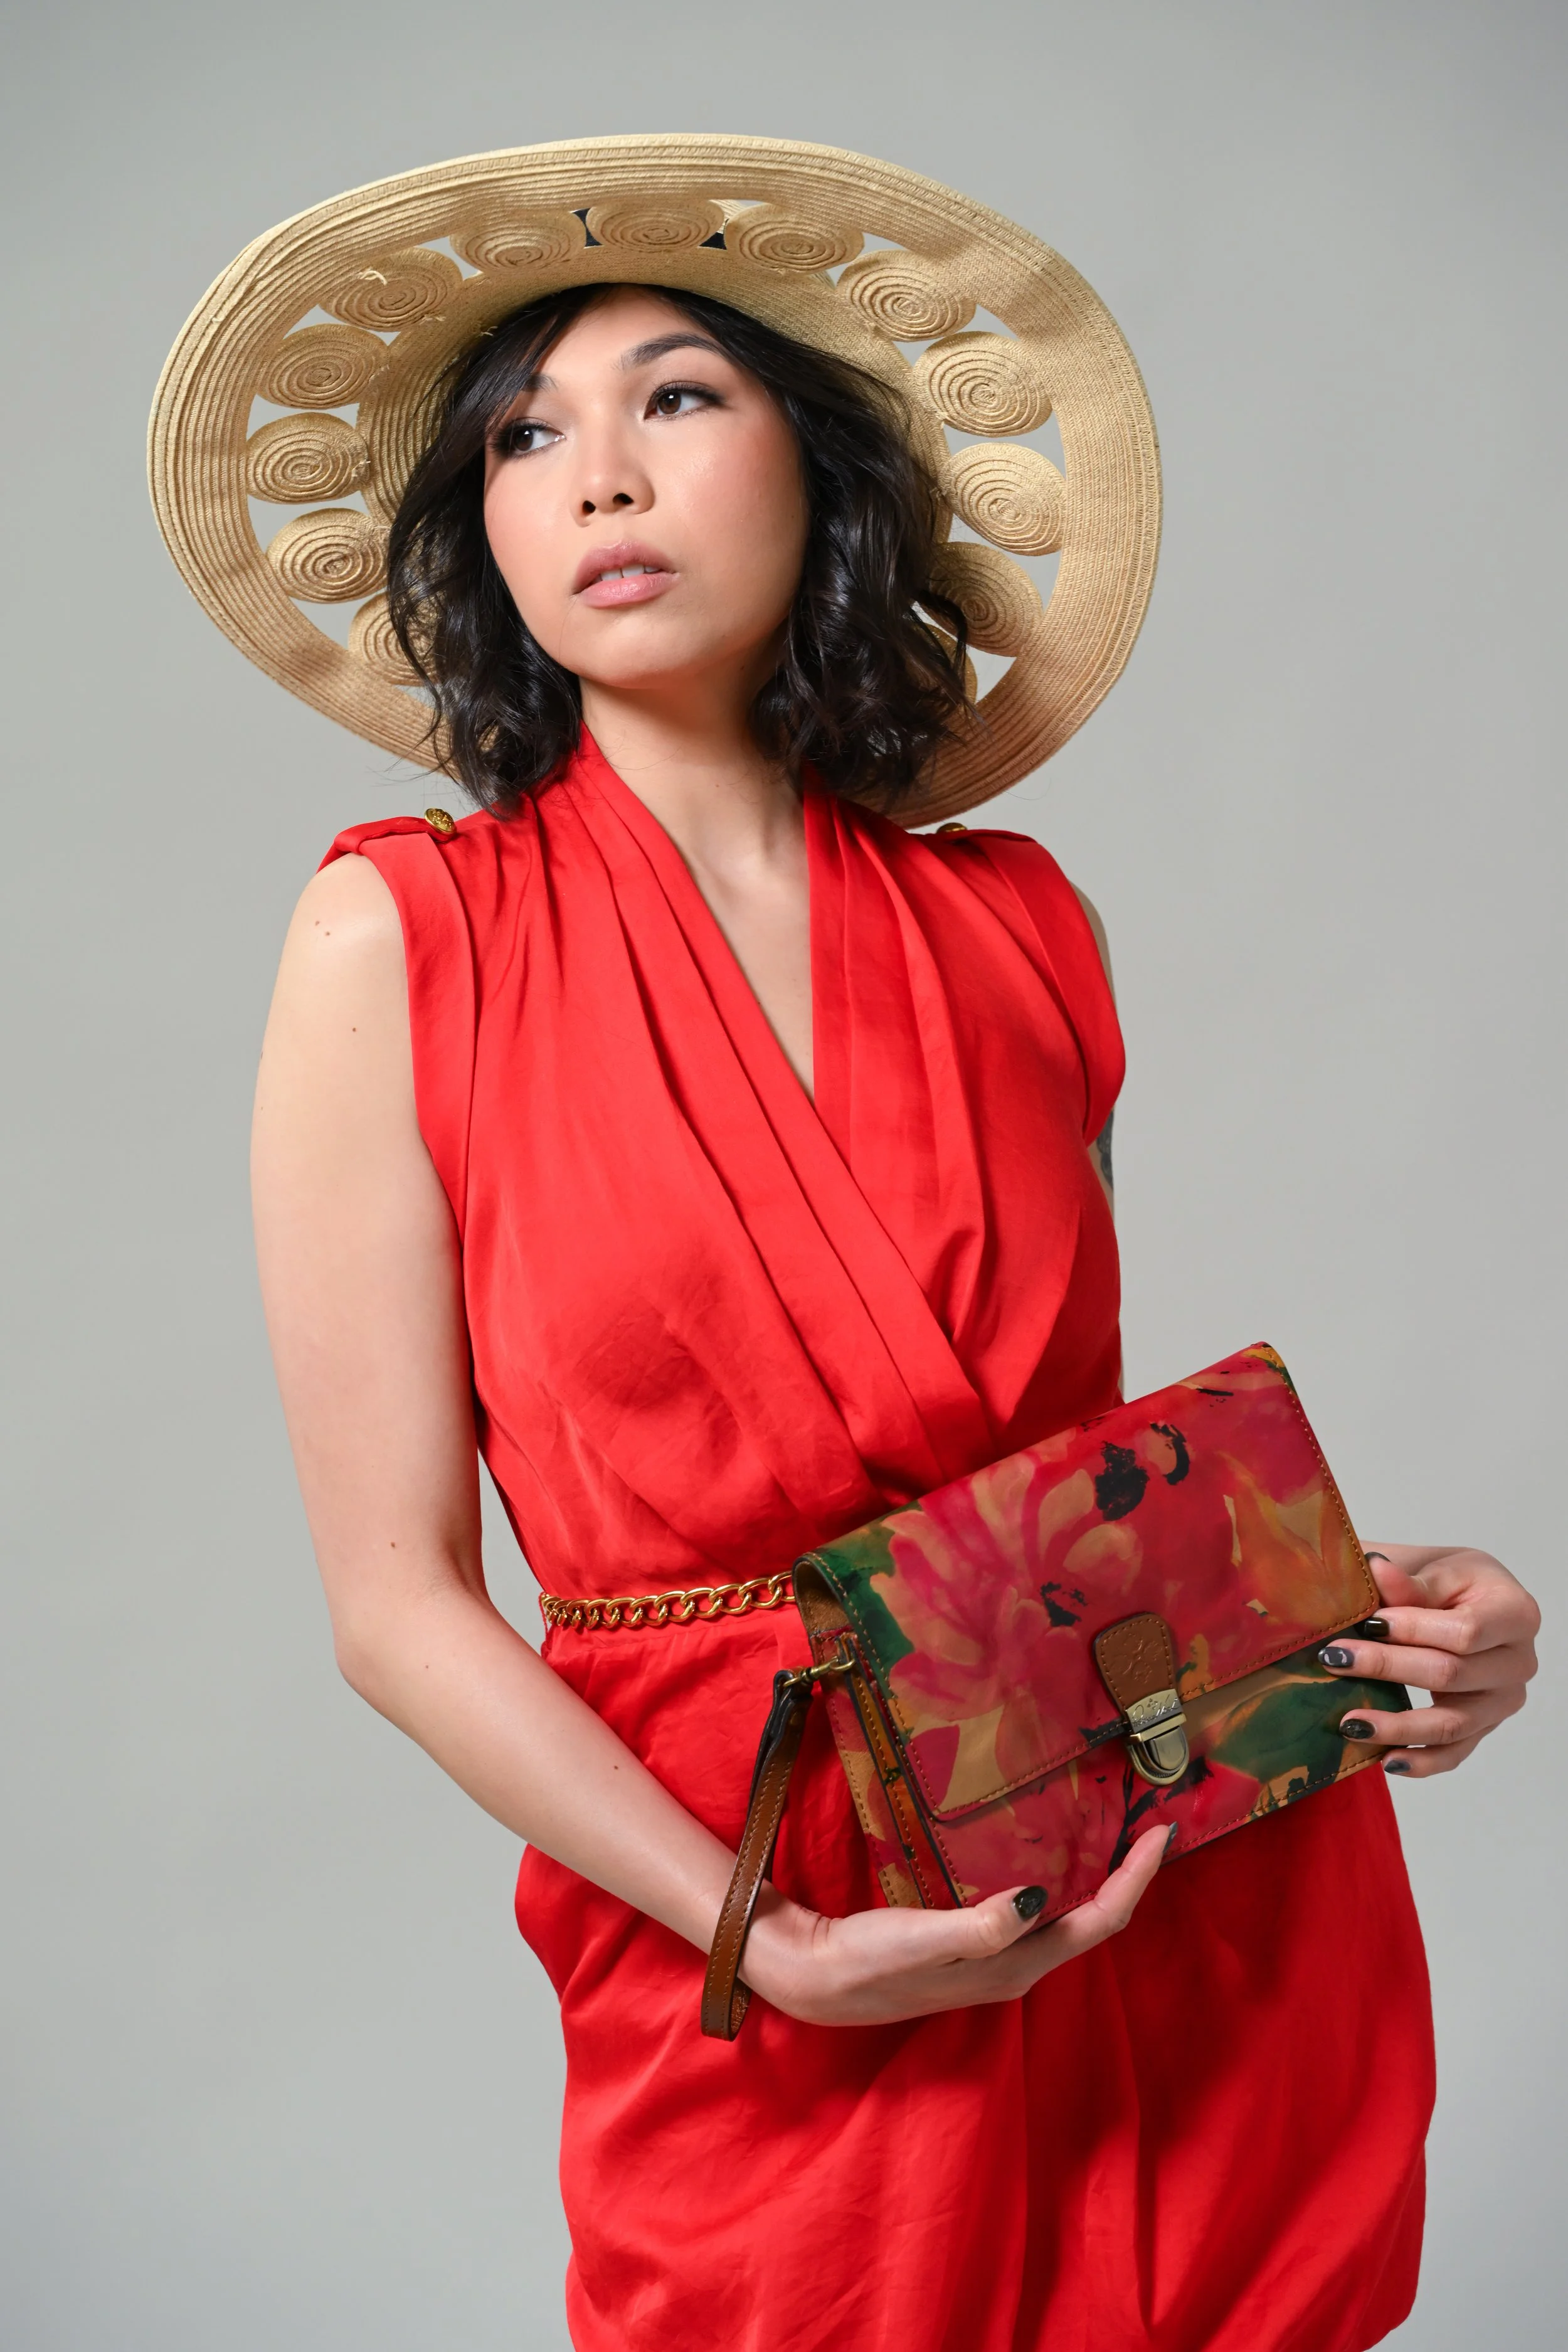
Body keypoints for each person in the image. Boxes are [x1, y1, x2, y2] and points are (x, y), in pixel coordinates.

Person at [154, 140, 1539, 2352]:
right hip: (754, 1911)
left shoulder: (1020, 925)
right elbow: (394, 1602)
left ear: (827, 474)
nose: (595, 477)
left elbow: (1054, 1507)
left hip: (1163, 1888)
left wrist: (1384, 1628)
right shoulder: (396, 934)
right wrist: (758, 1936)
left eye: (676, 399)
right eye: (525, 435)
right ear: (479, 529)